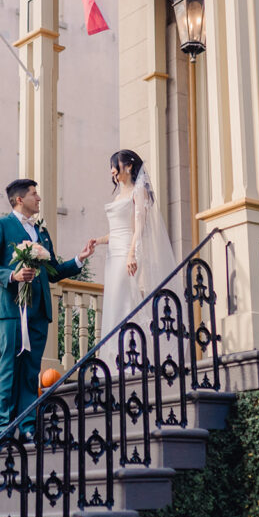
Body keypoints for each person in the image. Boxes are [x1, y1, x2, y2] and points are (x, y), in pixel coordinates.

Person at [0, 179, 95, 440]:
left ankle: (29, 427)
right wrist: (13, 275)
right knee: (10, 367)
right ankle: (5, 430)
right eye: (34, 194)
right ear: (20, 199)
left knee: (32, 370)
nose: (39, 198)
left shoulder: (41, 232)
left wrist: (79, 259)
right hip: (12, 310)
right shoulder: (1, 225)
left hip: (39, 310)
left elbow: (52, 272)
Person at [93, 150, 177, 370]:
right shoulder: (119, 195)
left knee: (125, 300)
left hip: (128, 252)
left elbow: (139, 226)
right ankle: (112, 361)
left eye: (115, 165)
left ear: (128, 166)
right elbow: (118, 230)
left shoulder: (139, 192)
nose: (112, 170)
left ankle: (134, 359)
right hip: (114, 253)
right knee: (114, 301)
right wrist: (98, 241)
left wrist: (132, 253)